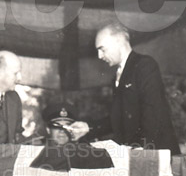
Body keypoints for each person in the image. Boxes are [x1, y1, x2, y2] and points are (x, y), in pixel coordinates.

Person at [71, 23, 179, 154]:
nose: (99, 56)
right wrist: (89, 127)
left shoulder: (144, 65)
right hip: (135, 153)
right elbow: (120, 118)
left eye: (102, 49)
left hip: (155, 153)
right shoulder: (118, 76)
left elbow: (153, 111)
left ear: (118, 41)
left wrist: (142, 147)